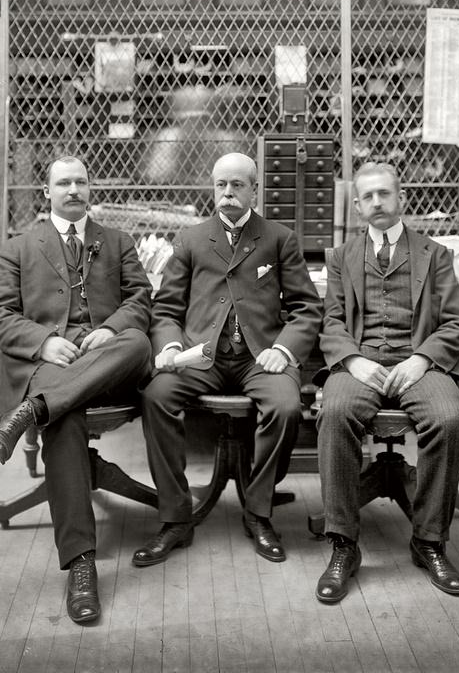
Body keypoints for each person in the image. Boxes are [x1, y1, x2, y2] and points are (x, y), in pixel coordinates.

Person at [0, 155, 152, 625]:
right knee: (65, 419)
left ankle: (31, 412)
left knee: (137, 341)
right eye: (63, 183)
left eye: (80, 181)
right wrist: (44, 341)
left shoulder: (117, 242)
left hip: (109, 364)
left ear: (90, 188)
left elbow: (141, 300)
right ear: (47, 192)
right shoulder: (19, 247)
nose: (73, 189)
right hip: (53, 367)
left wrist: (112, 327)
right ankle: (81, 566)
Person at [133, 152, 322, 567]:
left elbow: (307, 307)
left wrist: (283, 350)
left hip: (261, 358)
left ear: (255, 189)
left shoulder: (278, 237)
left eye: (238, 185)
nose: (228, 193)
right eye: (221, 185)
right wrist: (168, 348)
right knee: (156, 397)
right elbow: (165, 309)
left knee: (287, 407)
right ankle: (176, 516)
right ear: (213, 188)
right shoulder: (192, 239)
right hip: (203, 357)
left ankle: (259, 511)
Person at [314, 161, 459, 603]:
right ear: (359, 205)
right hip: (362, 363)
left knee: (448, 419)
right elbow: (331, 321)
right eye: (368, 196)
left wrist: (422, 358)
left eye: (384, 194)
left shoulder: (435, 254)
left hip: (417, 363)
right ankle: (344, 544)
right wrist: (352, 360)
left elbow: (456, 323)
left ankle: (429, 541)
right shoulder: (341, 257)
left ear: (401, 198)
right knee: (336, 411)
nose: (377, 203)